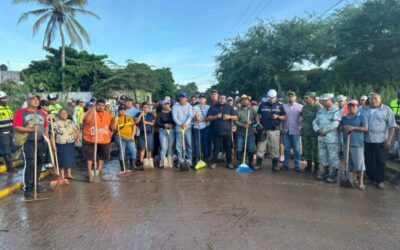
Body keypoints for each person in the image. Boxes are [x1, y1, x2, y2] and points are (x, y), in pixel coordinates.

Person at [13, 93, 49, 198]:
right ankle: (28, 188)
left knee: (40, 163)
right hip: (29, 142)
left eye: (38, 99)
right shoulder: (21, 113)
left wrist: (46, 132)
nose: (37, 101)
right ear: (28, 101)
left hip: (41, 141)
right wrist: (31, 129)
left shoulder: (42, 113)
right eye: (33, 99)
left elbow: (46, 125)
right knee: (31, 163)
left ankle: (36, 184)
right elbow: (16, 127)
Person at [363, 93, 397, 189]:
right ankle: (372, 178)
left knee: (380, 161)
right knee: (368, 160)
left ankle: (380, 180)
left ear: (380, 99)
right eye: (371, 99)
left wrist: (389, 140)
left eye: (375, 99)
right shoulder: (364, 109)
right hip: (367, 139)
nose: (373, 100)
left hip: (381, 140)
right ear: (369, 100)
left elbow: (392, 126)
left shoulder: (387, 110)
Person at [82, 99, 115, 182]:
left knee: (102, 155)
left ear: (105, 106)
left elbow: (112, 127)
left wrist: (112, 130)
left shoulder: (108, 114)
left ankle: (99, 171)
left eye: (102, 105)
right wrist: (92, 110)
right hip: (90, 138)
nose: (101, 107)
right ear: (96, 105)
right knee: (90, 156)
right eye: (99, 105)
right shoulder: (89, 112)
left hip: (104, 138)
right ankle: (90, 172)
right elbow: (87, 121)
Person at [313, 94, 342, 183]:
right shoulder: (320, 111)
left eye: (325, 100)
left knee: (333, 156)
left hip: (331, 138)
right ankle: (325, 171)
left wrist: (324, 130)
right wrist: (317, 130)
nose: (323, 102)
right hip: (321, 137)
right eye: (322, 101)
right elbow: (315, 121)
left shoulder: (336, 110)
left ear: (331, 100)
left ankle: (334, 174)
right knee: (322, 155)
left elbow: (335, 123)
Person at [339, 100, 368, 190]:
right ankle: (353, 179)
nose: (351, 108)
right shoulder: (344, 118)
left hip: (357, 144)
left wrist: (353, 128)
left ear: (357, 107)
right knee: (349, 164)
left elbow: (365, 128)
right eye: (349, 106)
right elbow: (339, 128)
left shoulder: (362, 116)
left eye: (353, 106)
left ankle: (361, 182)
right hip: (346, 143)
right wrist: (344, 127)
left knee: (359, 164)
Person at [256, 89, 286, 171]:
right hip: (263, 130)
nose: (271, 101)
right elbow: (258, 115)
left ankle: (275, 165)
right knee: (260, 147)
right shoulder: (262, 104)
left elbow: (285, 117)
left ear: (275, 98)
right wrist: (258, 123)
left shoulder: (280, 106)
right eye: (269, 99)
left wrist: (278, 117)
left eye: (273, 99)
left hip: (275, 130)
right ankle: (258, 164)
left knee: (275, 148)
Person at [207, 94, 238, 169]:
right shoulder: (213, 107)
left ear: (225, 99)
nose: (222, 100)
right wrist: (216, 116)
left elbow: (236, 117)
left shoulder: (229, 107)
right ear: (218, 99)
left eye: (223, 98)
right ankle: (214, 162)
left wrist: (229, 117)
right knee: (216, 148)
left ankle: (229, 163)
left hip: (227, 131)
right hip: (216, 131)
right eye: (220, 98)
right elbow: (208, 118)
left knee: (228, 148)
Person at [52, 109, 80, 182]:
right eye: (62, 113)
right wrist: (53, 145)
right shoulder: (56, 123)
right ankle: (62, 176)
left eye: (65, 113)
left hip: (70, 143)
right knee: (62, 160)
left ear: (67, 114)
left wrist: (77, 139)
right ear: (59, 114)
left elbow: (76, 131)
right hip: (60, 143)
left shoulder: (71, 122)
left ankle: (69, 174)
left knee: (70, 159)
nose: (64, 114)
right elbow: (52, 135)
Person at [300, 92, 321, 177]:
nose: (305, 100)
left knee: (315, 150)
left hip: (314, 132)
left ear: (312, 98)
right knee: (306, 149)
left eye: (307, 98)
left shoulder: (318, 108)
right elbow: (302, 119)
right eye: (305, 98)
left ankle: (316, 168)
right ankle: (308, 166)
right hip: (305, 132)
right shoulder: (304, 108)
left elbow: (320, 121)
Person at [282, 91, 303, 171]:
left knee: (297, 149)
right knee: (286, 148)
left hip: (296, 130)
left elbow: (303, 119)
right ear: (287, 97)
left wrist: (301, 127)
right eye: (289, 96)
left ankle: (297, 165)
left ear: (295, 97)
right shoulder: (283, 107)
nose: (291, 97)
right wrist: (281, 128)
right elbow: (281, 118)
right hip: (286, 130)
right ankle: (285, 164)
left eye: (292, 96)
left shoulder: (300, 107)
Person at [235, 95, 257, 170]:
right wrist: (243, 125)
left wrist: (251, 122)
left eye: (246, 100)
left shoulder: (251, 110)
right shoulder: (237, 110)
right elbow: (235, 121)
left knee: (251, 148)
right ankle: (239, 162)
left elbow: (255, 120)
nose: (245, 101)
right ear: (241, 101)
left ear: (248, 101)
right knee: (239, 148)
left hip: (250, 133)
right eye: (243, 100)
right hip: (240, 133)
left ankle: (250, 163)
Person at [172, 93, 194, 169]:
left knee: (189, 144)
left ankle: (189, 159)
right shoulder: (175, 106)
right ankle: (180, 160)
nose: (182, 98)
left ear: (186, 99)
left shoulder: (190, 106)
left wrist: (186, 124)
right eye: (181, 97)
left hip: (187, 128)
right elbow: (174, 117)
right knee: (178, 145)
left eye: (184, 97)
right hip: (178, 128)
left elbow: (190, 116)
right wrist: (180, 124)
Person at [113, 105, 137, 171]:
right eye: (121, 110)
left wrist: (133, 135)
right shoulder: (116, 118)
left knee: (133, 151)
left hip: (130, 138)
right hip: (120, 137)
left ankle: (133, 166)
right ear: (118, 111)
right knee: (122, 152)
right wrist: (115, 120)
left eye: (124, 110)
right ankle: (123, 167)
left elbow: (134, 126)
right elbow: (113, 128)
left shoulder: (129, 117)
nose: (123, 111)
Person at [0, 91, 17, 172]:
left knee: (10, 149)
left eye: (6, 97)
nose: (5, 99)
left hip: (10, 131)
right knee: (5, 150)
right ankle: (10, 167)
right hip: (2, 132)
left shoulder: (8, 108)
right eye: (3, 98)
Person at [156, 99, 175, 168]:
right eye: (165, 104)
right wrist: (164, 125)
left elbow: (175, 121)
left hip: (171, 130)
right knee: (164, 147)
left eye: (168, 104)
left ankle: (170, 161)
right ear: (162, 105)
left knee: (170, 146)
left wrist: (172, 125)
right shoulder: (160, 113)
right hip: (163, 130)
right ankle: (162, 161)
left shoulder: (172, 112)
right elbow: (157, 123)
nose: (166, 105)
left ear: (169, 105)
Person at [135, 102, 155, 167]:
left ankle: (149, 161)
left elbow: (153, 123)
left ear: (148, 108)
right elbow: (136, 122)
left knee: (149, 148)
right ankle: (141, 162)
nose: (145, 109)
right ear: (141, 108)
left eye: (146, 107)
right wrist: (141, 115)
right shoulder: (138, 114)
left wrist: (146, 122)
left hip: (149, 134)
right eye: (144, 107)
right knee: (142, 148)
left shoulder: (151, 114)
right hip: (141, 134)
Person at [193, 94, 211, 162]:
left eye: (203, 98)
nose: (202, 99)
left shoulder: (209, 107)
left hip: (206, 127)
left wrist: (202, 120)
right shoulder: (195, 107)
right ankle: (197, 157)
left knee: (205, 142)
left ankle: (205, 157)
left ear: (205, 99)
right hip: (196, 127)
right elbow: (193, 118)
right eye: (200, 98)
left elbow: (209, 117)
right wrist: (196, 117)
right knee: (196, 143)